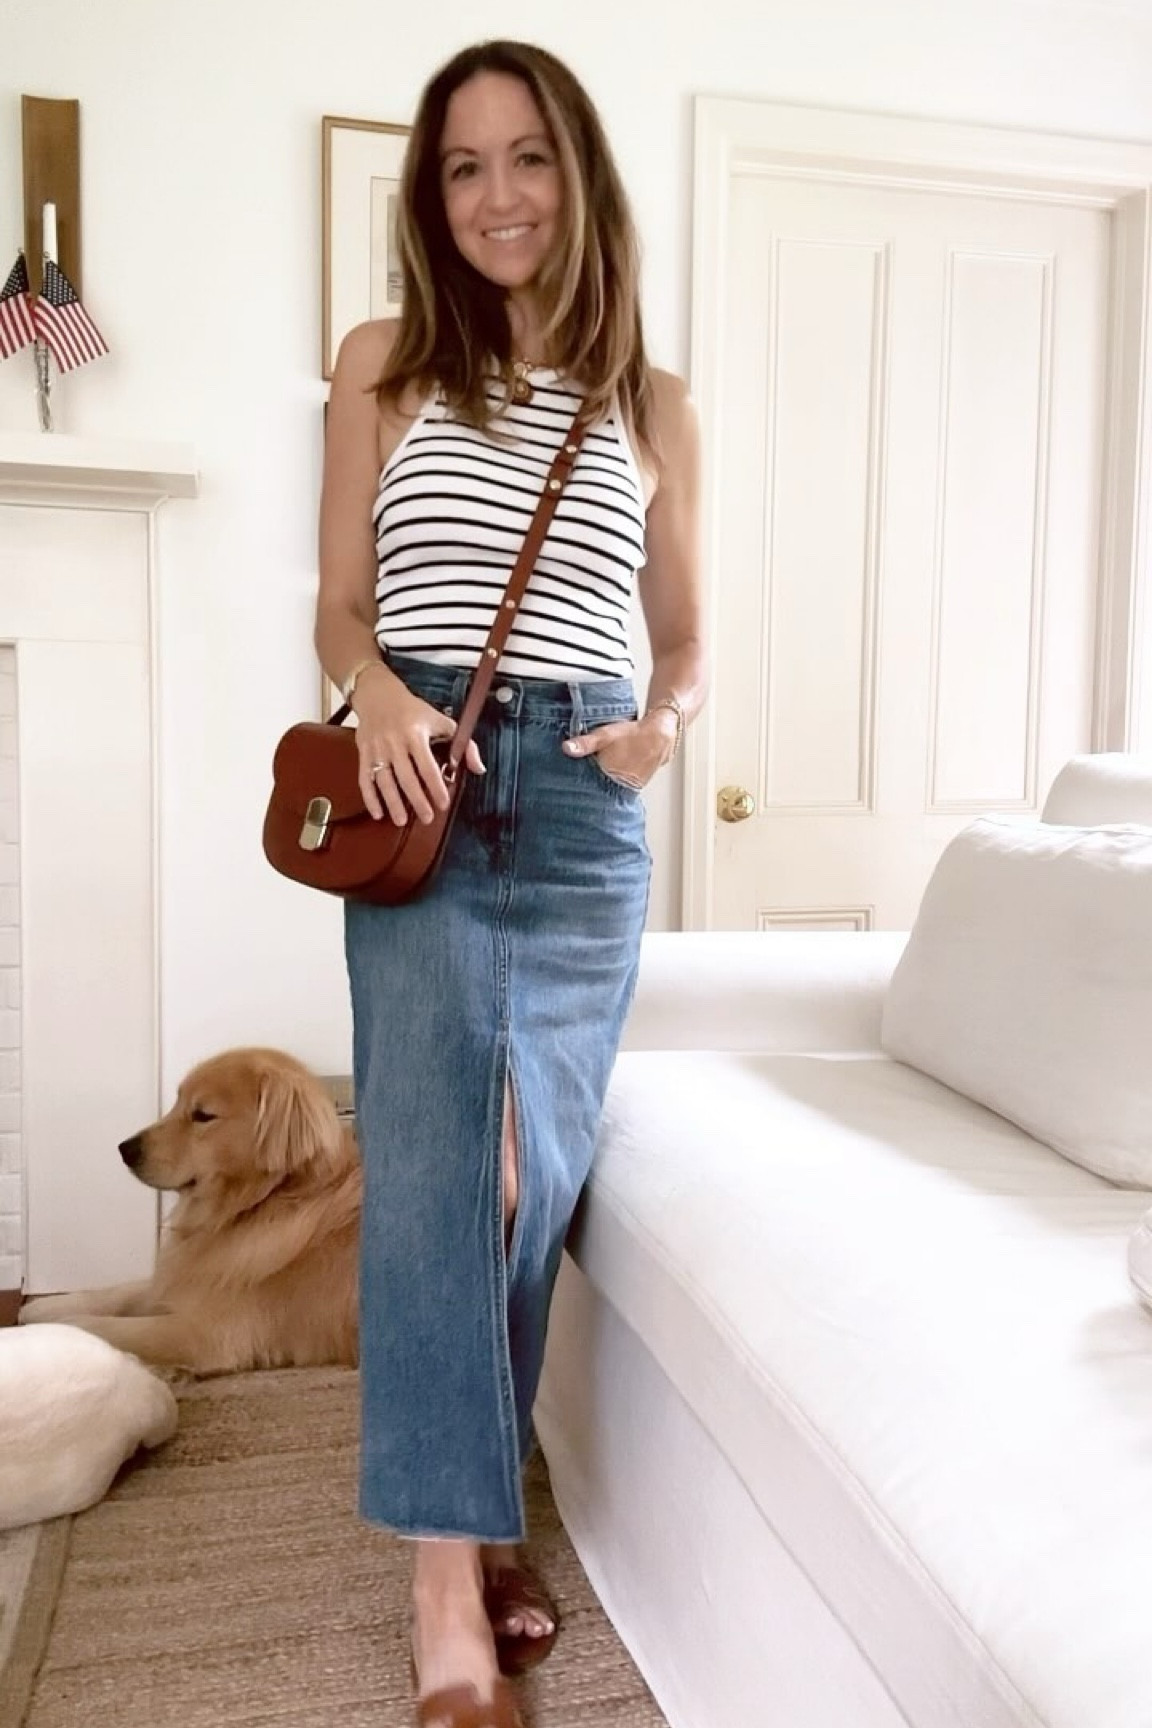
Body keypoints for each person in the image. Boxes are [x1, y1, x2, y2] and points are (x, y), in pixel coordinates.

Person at [315, 37, 705, 1728]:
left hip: (583, 814)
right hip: (423, 786)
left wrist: (662, 729)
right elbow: (337, 605)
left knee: (528, 1180)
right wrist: (381, 692)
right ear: (430, 196)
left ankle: (477, 1519)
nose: (498, 197)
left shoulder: (652, 400)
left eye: (527, 158)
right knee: (437, 1176)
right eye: (462, 167)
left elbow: (685, 638)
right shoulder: (384, 362)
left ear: (580, 174)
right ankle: (442, 1601)